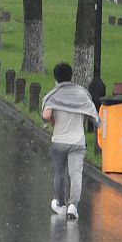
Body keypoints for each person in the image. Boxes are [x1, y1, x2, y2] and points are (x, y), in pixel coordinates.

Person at [41, 62, 100, 220]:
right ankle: (73, 205)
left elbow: (46, 116)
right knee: (76, 174)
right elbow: (94, 116)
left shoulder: (54, 95)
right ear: (70, 76)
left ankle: (61, 204)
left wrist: (52, 119)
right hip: (77, 143)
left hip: (59, 141)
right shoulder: (81, 94)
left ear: (56, 78)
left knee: (60, 174)